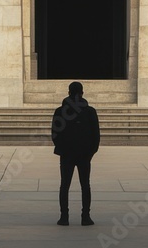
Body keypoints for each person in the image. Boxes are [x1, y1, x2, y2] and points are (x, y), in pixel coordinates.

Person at [51, 81, 100, 226]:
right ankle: (85, 217)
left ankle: (64, 217)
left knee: (64, 185)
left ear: (68, 92)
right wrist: (91, 151)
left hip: (67, 154)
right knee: (85, 185)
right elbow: (96, 135)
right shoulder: (90, 111)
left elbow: (55, 134)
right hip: (84, 154)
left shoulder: (60, 111)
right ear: (82, 93)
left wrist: (62, 149)